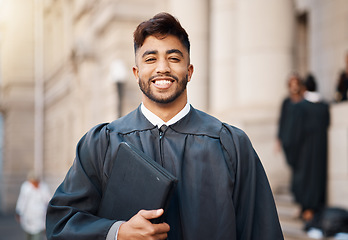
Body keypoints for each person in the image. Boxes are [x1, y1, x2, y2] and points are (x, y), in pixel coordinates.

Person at [46, 12, 283, 240]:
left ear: (189, 71)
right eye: (150, 59)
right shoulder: (104, 142)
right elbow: (62, 222)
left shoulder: (230, 145)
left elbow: (261, 230)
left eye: (174, 58)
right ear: (136, 73)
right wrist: (118, 233)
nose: (162, 68)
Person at [292, 74, 330, 222]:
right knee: (318, 177)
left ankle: (307, 208)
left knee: (306, 178)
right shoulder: (324, 106)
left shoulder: (301, 106)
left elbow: (295, 132)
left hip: (305, 150)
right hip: (321, 148)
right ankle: (315, 209)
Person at [16, 171, 51, 240]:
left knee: (36, 236)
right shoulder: (26, 187)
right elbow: (22, 200)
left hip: (39, 217)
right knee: (28, 235)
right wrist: (18, 212)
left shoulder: (44, 187)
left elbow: (48, 201)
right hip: (28, 216)